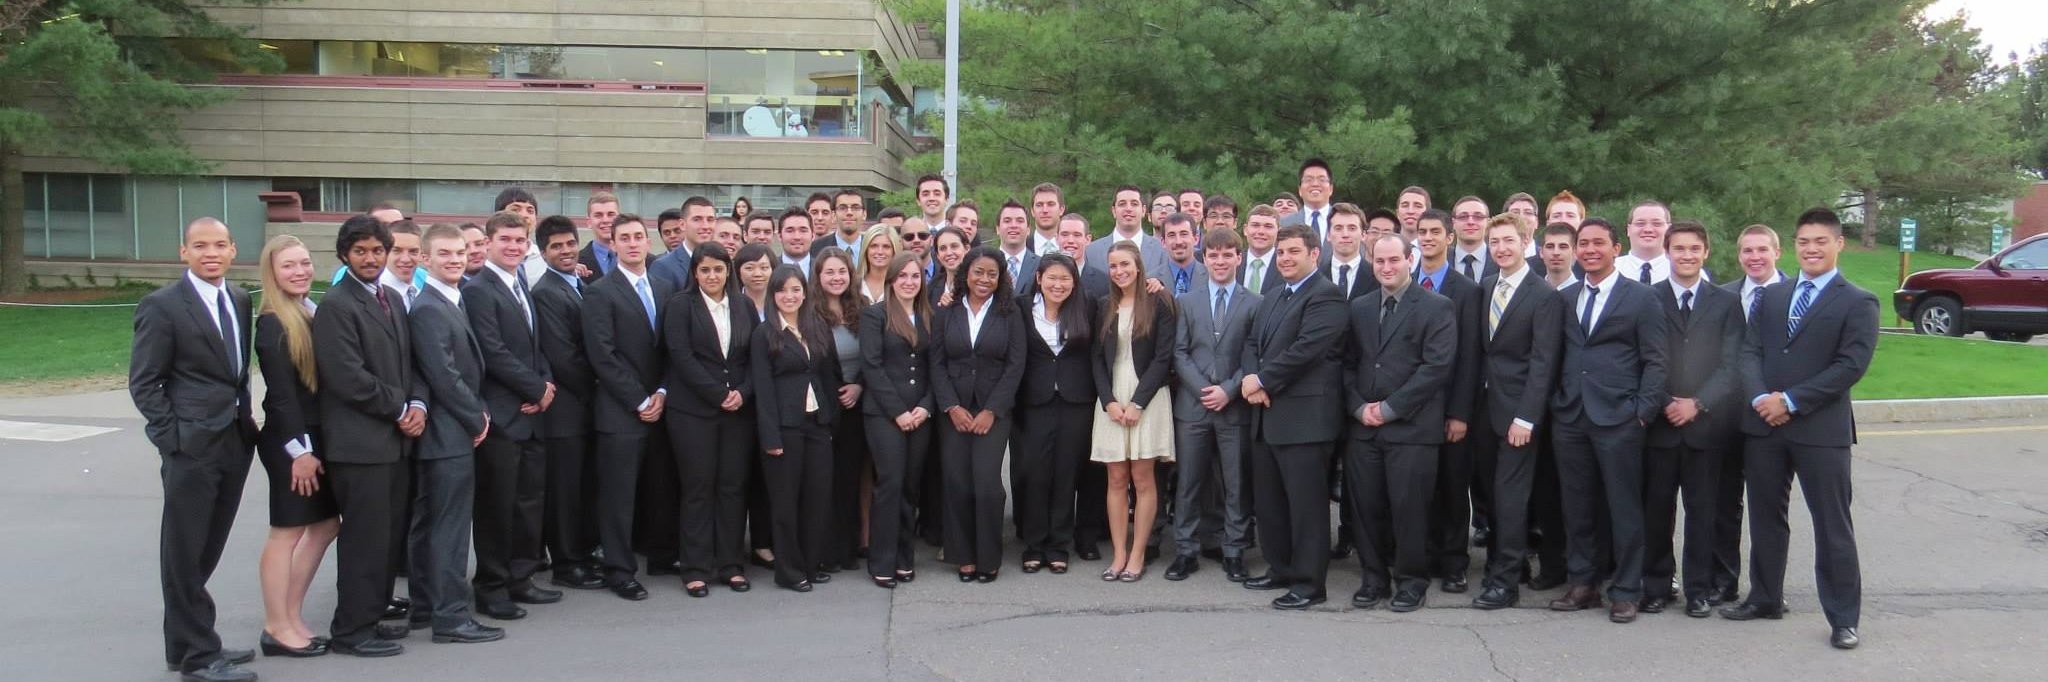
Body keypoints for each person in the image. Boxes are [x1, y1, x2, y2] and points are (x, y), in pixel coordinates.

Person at [1722, 208, 1877, 652]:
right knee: (1766, 518)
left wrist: (1789, 401)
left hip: (1820, 431)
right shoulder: (1774, 296)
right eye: (1804, 242)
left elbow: (1850, 366)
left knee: (1833, 526)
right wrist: (1760, 400)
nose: (1811, 249)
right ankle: (1766, 598)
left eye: (1820, 242)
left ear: (1838, 244)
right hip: (1764, 427)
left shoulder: (1858, 301)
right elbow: (1749, 353)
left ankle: (1844, 618)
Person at [130, 218, 261, 681]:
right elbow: (145, 382)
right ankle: (200, 657)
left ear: (233, 250)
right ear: (183, 252)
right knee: (184, 551)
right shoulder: (162, 306)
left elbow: (235, 372)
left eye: (220, 245)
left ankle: (182, 644)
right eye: (200, 245)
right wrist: (173, 440)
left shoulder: (240, 298)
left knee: (208, 546)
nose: (211, 253)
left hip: (233, 439)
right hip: (191, 446)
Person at [1547, 218, 1669, 624]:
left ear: (1616, 248)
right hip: (1572, 417)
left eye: (1599, 243)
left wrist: (1641, 413)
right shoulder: (1565, 299)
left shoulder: (1641, 298)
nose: (1589, 250)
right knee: (1576, 507)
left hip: (1620, 418)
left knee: (1623, 508)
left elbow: (1656, 359)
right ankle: (1583, 584)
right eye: (1583, 243)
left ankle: (1626, 590)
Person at [314, 215, 422, 658]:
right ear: (345, 255)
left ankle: (372, 614)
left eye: (378, 251)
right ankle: (351, 630)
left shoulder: (390, 299)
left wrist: (417, 404)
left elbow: (408, 362)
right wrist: (398, 408)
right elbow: (346, 377)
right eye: (361, 251)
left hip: (394, 442)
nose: (371, 258)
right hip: (359, 445)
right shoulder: (336, 305)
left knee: (387, 536)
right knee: (364, 539)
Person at [1340, 233, 1457, 612]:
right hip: (1363, 428)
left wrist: (1389, 408)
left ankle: (1411, 580)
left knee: (1409, 509)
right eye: (1379, 261)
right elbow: (1346, 364)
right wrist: (1359, 408)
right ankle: (1374, 578)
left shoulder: (1436, 307)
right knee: (1366, 507)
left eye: (1394, 260)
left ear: (1411, 259)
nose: (1386, 268)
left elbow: (1436, 368)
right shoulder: (1358, 307)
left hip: (1412, 428)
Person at [1239, 225, 1348, 610]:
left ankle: (1309, 582)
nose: (1285, 258)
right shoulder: (1272, 296)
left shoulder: (1327, 297)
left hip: (1305, 421)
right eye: (1281, 252)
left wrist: (1263, 380)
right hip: (1267, 418)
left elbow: (1308, 350)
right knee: (1270, 504)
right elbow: (1253, 342)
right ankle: (1281, 567)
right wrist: (1254, 378)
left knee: (1306, 507)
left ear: (1314, 254)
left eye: (1293, 251)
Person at [404, 224, 504, 645]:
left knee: (431, 523)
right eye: (444, 253)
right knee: (448, 528)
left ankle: (427, 605)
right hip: (447, 435)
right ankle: (450, 616)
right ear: (425, 259)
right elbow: (442, 374)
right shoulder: (429, 307)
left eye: (460, 252)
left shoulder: (451, 299)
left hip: (447, 431)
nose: (455, 259)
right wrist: (476, 417)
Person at [461, 213, 560, 619]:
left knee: (528, 503)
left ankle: (521, 577)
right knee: (496, 507)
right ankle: (491, 585)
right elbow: (493, 351)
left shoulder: (520, 282)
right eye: (506, 240)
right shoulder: (480, 290)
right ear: (487, 243)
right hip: (503, 416)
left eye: (521, 241)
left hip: (533, 414)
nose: (514, 247)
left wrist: (547, 384)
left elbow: (535, 347)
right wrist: (536, 389)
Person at [1644, 221, 1744, 617]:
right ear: (1667, 252)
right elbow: (1643, 357)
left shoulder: (1725, 302)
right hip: (1660, 425)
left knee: (1703, 513)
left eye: (1694, 249)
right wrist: (1666, 399)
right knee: (1657, 512)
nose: (1686, 255)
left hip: (1706, 426)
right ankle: (1655, 585)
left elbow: (1732, 365)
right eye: (1679, 248)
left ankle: (1699, 589)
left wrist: (1698, 403)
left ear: (1705, 253)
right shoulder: (1647, 298)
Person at [251, 236, 340, 661]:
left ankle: (291, 616)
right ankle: (276, 625)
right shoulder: (272, 322)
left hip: (315, 436)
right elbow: (281, 396)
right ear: (272, 273)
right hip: (292, 442)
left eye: (304, 263)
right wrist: (299, 452)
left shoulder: (309, 309)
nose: (300, 271)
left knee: (324, 526)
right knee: (286, 533)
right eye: (289, 266)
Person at [1469, 217, 1562, 610]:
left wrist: (1526, 418)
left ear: (1527, 243)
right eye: (1495, 242)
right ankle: (1505, 565)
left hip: (1518, 416)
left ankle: (1504, 584)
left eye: (1509, 240)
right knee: (1491, 497)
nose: (1501, 248)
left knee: (1510, 498)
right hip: (1484, 410)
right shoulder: (1488, 286)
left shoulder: (1543, 296)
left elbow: (1544, 362)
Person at [662, 243, 760, 597]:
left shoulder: (744, 304)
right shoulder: (679, 306)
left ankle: (731, 565)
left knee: (732, 488)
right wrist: (719, 394)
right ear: (695, 273)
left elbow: (753, 358)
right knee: (698, 488)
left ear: (728, 271)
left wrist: (742, 393)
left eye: (719, 269)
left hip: (738, 412)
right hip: (693, 412)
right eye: (705, 270)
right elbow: (681, 358)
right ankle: (696, 567)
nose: (713, 276)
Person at [580, 214, 669, 602]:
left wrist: (663, 392)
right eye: (624, 238)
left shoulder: (665, 286)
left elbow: (670, 348)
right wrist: (639, 399)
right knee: (619, 496)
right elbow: (603, 355)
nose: (633, 243)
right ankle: (619, 569)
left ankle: (662, 556)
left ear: (648, 242)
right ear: (612, 244)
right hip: (620, 410)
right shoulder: (600, 292)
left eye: (638, 237)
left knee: (659, 486)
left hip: (662, 406)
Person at [931, 247, 1029, 583]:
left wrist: (992, 410)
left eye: (991, 274)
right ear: (966, 274)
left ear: (1000, 278)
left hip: (994, 410)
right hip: (953, 409)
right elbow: (937, 362)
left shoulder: (1010, 312)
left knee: (986, 484)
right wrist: (951, 407)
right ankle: (964, 556)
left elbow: (1016, 365)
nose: (984, 280)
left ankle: (989, 557)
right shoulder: (946, 311)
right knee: (957, 482)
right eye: (978, 272)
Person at [1168, 229, 1260, 583]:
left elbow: (1254, 355)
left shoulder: (1254, 302)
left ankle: (1234, 549)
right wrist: (1204, 388)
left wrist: (1229, 389)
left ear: (1239, 258)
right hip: (1193, 407)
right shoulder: (1187, 302)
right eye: (1213, 255)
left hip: (1234, 407)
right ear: (1203, 258)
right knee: (1189, 482)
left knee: (1235, 483)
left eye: (1227, 255)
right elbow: (1179, 351)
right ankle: (1185, 550)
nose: (1220, 261)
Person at [1089, 243, 1179, 583]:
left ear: (1139, 266)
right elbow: (1096, 358)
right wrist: (1109, 401)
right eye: (1113, 265)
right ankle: (1119, 554)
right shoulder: (1103, 305)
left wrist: (1137, 403)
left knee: (1142, 479)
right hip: (1111, 399)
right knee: (1115, 479)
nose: (1118, 271)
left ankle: (1138, 554)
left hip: (1147, 398)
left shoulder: (1159, 303)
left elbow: (1163, 358)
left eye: (1125, 264)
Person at [751, 266, 844, 591]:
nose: (789, 296)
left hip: (816, 424)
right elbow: (762, 389)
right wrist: (770, 436)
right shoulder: (764, 334)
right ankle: (789, 571)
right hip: (784, 428)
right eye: (782, 291)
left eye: (795, 290)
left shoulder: (816, 326)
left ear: (805, 293)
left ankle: (810, 562)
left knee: (816, 498)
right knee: (786, 502)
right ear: (773, 296)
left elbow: (829, 374)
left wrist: (830, 418)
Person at [528, 216, 606, 591]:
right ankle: (566, 562)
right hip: (566, 411)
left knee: (582, 487)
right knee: (564, 491)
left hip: (583, 409)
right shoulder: (546, 292)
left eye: (569, 243)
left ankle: (582, 553)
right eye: (556, 246)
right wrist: (600, 385)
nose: (565, 251)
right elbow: (564, 358)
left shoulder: (579, 284)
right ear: (543, 253)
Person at [1713, 223, 1786, 602]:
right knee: (1724, 504)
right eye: (1747, 251)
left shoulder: (1794, 295)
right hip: (1726, 416)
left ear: (1778, 252)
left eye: (1762, 250)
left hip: (1772, 416)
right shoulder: (1724, 296)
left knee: (1767, 508)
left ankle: (1768, 588)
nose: (1755, 257)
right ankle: (1724, 582)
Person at [1011, 254, 1096, 576]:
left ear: (1074, 283)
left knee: (1066, 473)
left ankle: (1059, 544)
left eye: (1065, 279)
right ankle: (1034, 544)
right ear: (1039, 278)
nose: (1058, 285)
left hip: (1076, 401)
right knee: (1034, 473)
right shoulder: (1020, 308)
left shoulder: (1087, 308)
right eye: (1052, 278)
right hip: (1034, 401)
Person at [861, 254, 939, 587]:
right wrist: (898, 411)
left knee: (911, 485)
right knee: (890, 484)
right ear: (891, 280)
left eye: (916, 276)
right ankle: (882, 559)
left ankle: (904, 557)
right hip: (884, 414)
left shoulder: (929, 316)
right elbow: (872, 367)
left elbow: (937, 367)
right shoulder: (874, 315)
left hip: (921, 413)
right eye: (902, 276)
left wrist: (925, 407)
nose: (909, 282)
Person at [808, 249, 870, 573]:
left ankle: (847, 548)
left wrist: (859, 385)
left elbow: (874, 357)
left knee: (849, 479)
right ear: (818, 277)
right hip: (822, 408)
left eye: (842, 272)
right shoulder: (808, 313)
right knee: (823, 481)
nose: (836, 278)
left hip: (857, 407)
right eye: (829, 272)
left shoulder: (864, 310)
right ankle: (824, 550)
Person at [732, 243, 780, 568]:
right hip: (739, 403)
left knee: (767, 478)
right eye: (749, 267)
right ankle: (733, 545)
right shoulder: (733, 305)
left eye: (763, 266)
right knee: (738, 477)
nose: (757, 273)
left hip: (775, 405)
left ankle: (763, 542)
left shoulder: (785, 302)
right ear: (738, 272)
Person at [1087, 186, 1171, 275]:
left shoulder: (1162, 249)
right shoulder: (1092, 251)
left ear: (1143, 210)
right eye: (1122, 204)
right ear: (1114, 211)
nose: (1128, 209)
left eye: (1134, 204)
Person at [650, 197, 719, 291]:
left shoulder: (724, 262)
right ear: (682, 224)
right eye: (697, 219)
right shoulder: (663, 267)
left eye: (710, 219)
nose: (705, 226)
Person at [1278, 159, 1336, 242]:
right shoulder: (1284, 224)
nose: (1315, 184)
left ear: (1331, 189)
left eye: (1322, 180)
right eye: (1308, 180)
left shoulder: (1345, 221)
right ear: (1300, 190)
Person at [1617, 201, 1674, 285]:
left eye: (1657, 224)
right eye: (1640, 224)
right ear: (1628, 230)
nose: (1648, 229)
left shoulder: (1684, 271)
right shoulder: (1610, 270)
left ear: (1669, 229)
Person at [994, 200, 1041, 298]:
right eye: (1007, 221)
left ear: (1028, 229)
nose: (1013, 225)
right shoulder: (987, 262)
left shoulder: (1040, 265)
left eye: (1020, 221)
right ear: (997, 229)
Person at [1449, 197, 1497, 283]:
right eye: (1463, 217)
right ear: (1453, 223)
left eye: (1478, 216)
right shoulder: (1439, 260)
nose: (1470, 222)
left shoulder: (1499, 260)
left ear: (1488, 223)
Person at [579, 192, 623, 283]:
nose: (605, 220)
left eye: (611, 214)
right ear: (589, 222)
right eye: (598, 215)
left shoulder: (643, 259)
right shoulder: (577, 262)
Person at [1157, 214, 1205, 297]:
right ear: (1163, 242)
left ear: (1196, 239)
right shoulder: (1150, 280)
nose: (1178, 242)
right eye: (1172, 235)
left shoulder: (1211, 277)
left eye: (1184, 234)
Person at [856, 224, 906, 304]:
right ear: (866, 249)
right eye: (874, 246)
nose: (879, 252)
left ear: (894, 250)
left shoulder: (903, 284)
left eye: (886, 247)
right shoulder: (853, 284)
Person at [810, 189, 867, 256]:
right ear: (833, 215)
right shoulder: (815, 249)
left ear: (864, 214)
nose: (849, 212)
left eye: (855, 208)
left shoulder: (873, 246)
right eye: (842, 208)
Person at [1239, 205, 1282, 295]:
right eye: (1255, 225)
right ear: (1245, 230)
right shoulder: (1233, 262)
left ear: (1278, 231)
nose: (1261, 231)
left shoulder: (1286, 264)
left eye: (1268, 226)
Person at [926, 226, 971, 307]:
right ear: (937, 255)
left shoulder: (975, 285)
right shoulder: (932, 288)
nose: (949, 253)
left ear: (967, 249)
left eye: (954, 246)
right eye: (943, 248)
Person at [1028, 183, 1066, 255]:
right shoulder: (1022, 247)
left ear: (1061, 209)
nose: (1045, 210)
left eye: (1051, 204)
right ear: (1032, 211)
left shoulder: (1073, 247)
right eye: (1039, 205)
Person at [778, 207, 815, 275]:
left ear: (813, 236)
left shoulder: (823, 270)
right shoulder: (770, 268)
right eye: (790, 231)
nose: (797, 237)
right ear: (780, 236)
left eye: (803, 230)